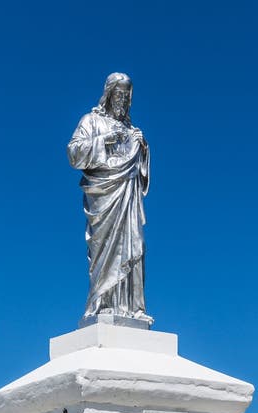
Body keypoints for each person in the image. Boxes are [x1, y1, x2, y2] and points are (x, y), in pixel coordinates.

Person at [67, 73, 150, 321]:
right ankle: (102, 303)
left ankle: (133, 308)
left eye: (127, 96)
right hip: (104, 198)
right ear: (109, 94)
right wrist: (104, 140)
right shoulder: (91, 121)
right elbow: (73, 153)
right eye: (118, 94)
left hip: (128, 197)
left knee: (135, 244)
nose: (122, 100)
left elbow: (140, 174)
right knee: (105, 250)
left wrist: (143, 148)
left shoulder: (132, 130)